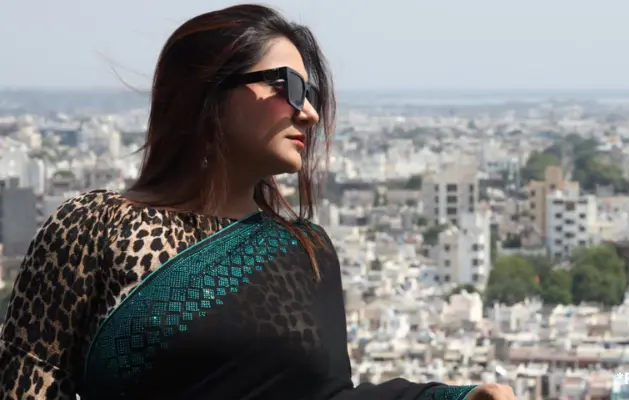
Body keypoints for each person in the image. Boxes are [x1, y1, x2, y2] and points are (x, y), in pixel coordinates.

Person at [0, 4, 517, 400]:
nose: (310, 113)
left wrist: (455, 396)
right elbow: (24, 384)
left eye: (312, 92)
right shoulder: (92, 227)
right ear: (209, 92)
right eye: (288, 86)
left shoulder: (305, 250)